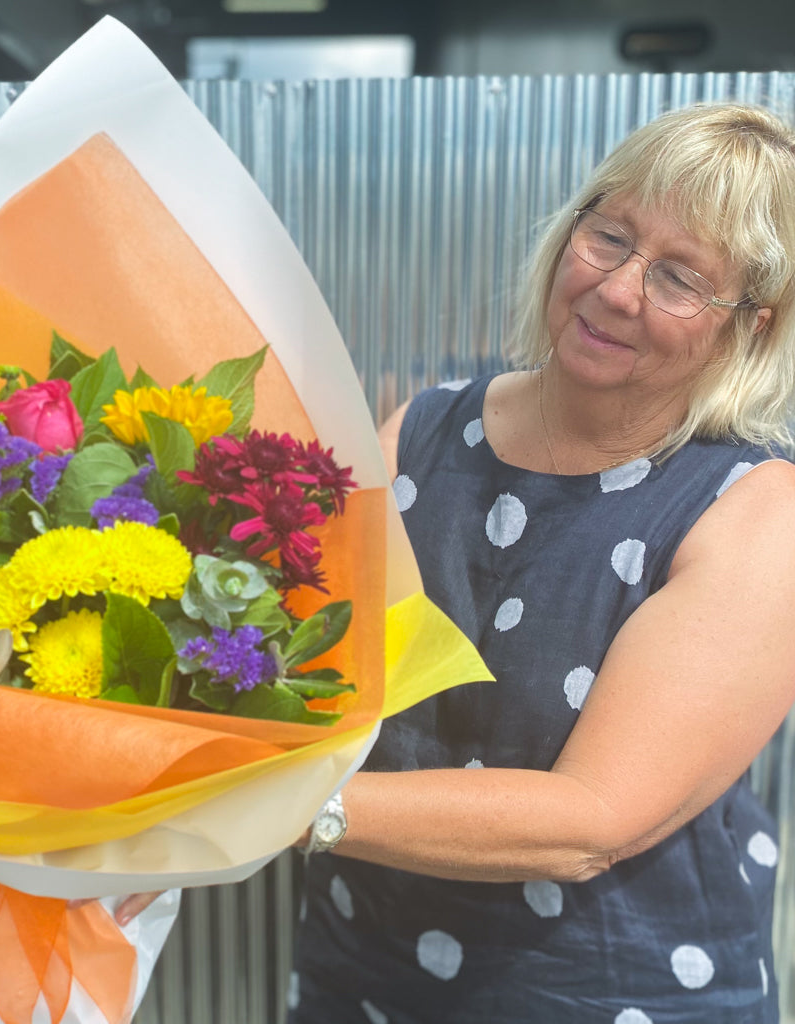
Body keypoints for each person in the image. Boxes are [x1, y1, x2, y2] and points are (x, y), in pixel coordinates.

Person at [287, 103, 795, 1023]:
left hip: (606, 992)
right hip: (359, 970)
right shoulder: (422, 432)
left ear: (747, 329)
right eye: (610, 236)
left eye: (681, 279)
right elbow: (311, 673)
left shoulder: (756, 517)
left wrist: (276, 810)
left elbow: (592, 818)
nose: (618, 290)